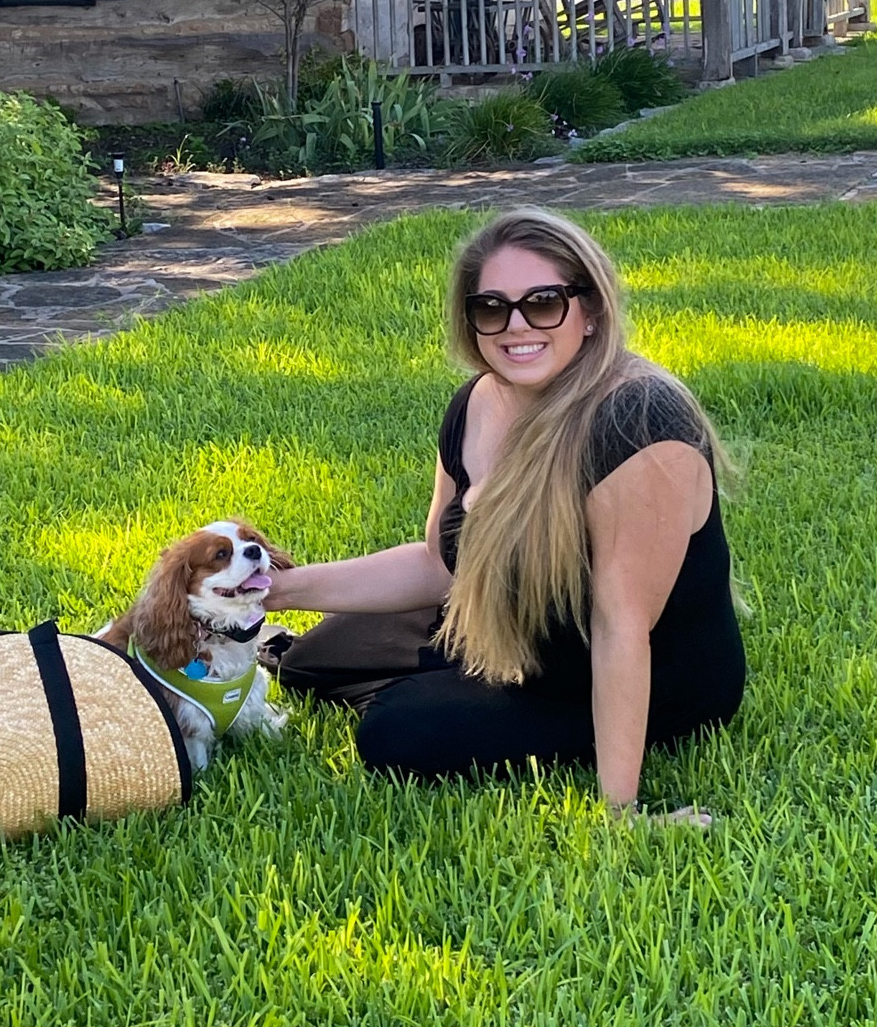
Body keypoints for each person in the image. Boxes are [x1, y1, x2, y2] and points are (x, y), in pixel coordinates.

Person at [262, 206, 745, 820]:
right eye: (491, 308)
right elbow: (440, 565)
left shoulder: (638, 422)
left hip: (633, 675)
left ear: (591, 310)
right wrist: (278, 591)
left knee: (396, 732)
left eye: (543, 303)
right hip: (517, 621)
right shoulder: (476, 401)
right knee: (307, 662)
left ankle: (463, 692)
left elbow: (620, 626)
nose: (516, 326)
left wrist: (621, 810)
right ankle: (466, 675)